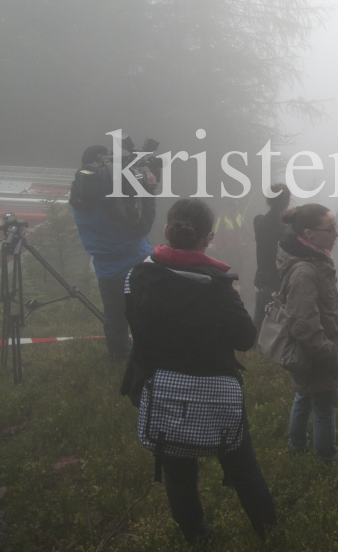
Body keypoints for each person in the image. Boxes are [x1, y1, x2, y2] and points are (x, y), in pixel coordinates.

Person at [122, 199, 277, 545]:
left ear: (166, 230)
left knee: (178, 473)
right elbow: (245, 339)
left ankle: (197, 536)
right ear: (208, 237)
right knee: (242, 465)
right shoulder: (219, 285)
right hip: (216, 392)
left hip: (162, 389)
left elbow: (136, 328)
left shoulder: (137, 277)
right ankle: (269, 529)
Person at [70, 144, 156, 362]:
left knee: (115, 317)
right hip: (137, 260)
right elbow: (142, 226)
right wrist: (149, 190)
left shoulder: (79, 193)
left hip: (106, 267)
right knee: (148, 313)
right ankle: (152, 358)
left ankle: (119, 361)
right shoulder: (111, 192)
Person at [277, 203, 338, 463]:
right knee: (324, 408)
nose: (336, 234)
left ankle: (297, 446)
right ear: (309, 234)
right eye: (330, 229)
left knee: (304, 395)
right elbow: (303, 324)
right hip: (318, 353)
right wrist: (330, 354)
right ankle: (327, 461)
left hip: (312, 353)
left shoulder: (313, 260)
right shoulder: (305, 272)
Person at [252, 183, 291, 342]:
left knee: (260, 317)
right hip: (278, 280)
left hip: (261, 278)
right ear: (287, 201)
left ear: (268, 200)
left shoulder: (259, 221)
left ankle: (253, 350)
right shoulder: (286, 228)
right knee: (278, 322)